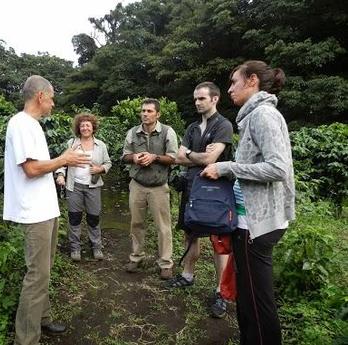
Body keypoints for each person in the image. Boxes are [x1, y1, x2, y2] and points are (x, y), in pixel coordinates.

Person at [201, 61, 295, 345]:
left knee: (257, 299)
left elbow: (278, 168)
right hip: (248, 220)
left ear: (252, 81)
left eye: (234, 82)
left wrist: (228, 167)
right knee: (247, 293)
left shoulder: (263, 115)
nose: (229, 89)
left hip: (258, 224)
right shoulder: (253, 116)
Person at [3, 75, 91, 345]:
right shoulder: (20, 124)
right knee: (36, 274)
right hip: (33, 213)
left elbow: (42, 165)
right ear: (40, 96)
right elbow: (30, 169)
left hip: (45, 210)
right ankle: (26, 339)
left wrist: (62, 163)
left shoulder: (34, 126)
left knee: (45, 270)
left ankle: (43, 318)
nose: (53, 104)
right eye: (52, 98)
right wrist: (63, 159)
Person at [164, 82, 233, 319]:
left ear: (214, 99)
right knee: (189, 232)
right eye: (195, 99)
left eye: (201, 98)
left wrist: (191, 155)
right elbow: (178, 158)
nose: (197, 102)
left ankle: (221, 292)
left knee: (218, 239)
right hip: (191, 188)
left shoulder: (224, 125)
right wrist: (198, 156)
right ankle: (187, 275)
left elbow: (210, 158)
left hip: (215, 190)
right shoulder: (193, 127)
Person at [122, 98, 178, 280]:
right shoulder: (133, 132)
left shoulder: (167, 132)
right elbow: (124, 156)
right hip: (137, 185)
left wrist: (154, 157)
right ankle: (136, 257)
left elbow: (173, 158)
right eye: (143, 111)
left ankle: (166, 263)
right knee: (136, 224)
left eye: (149, 111)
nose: (145, 114)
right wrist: (135, 158)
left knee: (163, 227)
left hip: (159, 187)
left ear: (158, 114)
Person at [55, 113, 112, 261]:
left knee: (94, 217)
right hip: (75, 186)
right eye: (82, 125)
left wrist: (100, 169)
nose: (85, 128)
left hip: (93, 186)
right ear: (78, 128)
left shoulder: (101, 145)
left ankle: (96, 247)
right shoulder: (72, 143)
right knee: (74, 217)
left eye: (88, 125)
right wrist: (60, 175)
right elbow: (63, 162)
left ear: (93, 128)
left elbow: (108, 163)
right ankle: (75, 248)